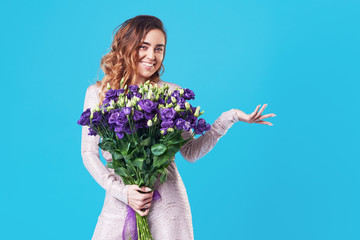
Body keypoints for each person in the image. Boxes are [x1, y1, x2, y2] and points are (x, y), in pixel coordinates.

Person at [80, 15, 276, 240]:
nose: (151, 56)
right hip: (119, 202)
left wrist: (230, 117)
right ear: (126, 46)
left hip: (168, 206)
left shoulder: (172, 93)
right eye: (143, 47)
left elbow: (190, 152)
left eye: (159, 49)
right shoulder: (97, 94)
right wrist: (122, 192)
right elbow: (89, 153)